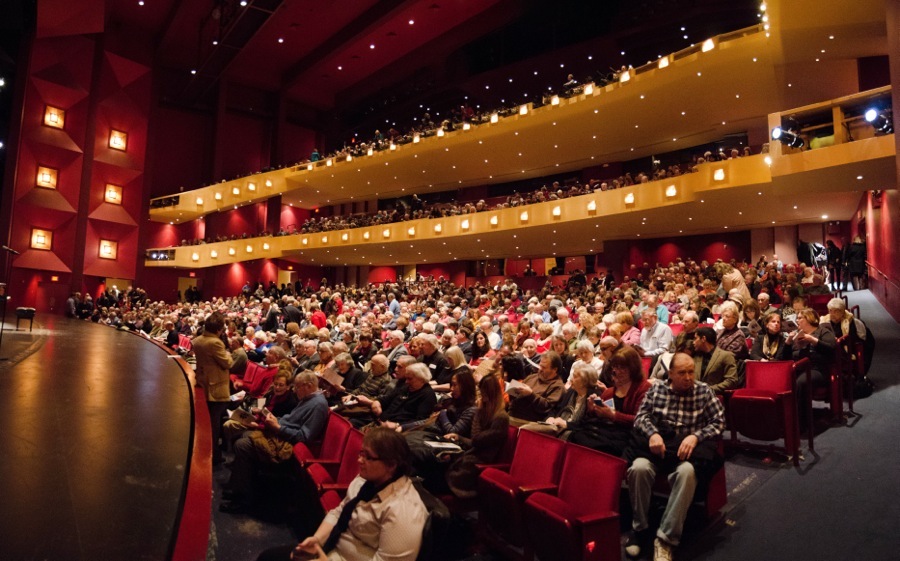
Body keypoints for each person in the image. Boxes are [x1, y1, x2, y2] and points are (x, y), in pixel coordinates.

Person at [258, 427, 428, 561]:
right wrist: (317, 540)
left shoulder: (403, 511)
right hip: (332, 549)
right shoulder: (366, 480)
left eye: (368, 457)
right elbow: (339, 512)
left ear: (391, 465)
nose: (359, 460)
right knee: (268, 557)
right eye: (361, 453)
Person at [624, 352, 725, 561]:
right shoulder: (658, 389)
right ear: (670, 374)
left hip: (686, 454)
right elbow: (641, 417)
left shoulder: (703, 391)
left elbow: (719, 422)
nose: (688, 377)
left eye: (691, 372)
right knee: (638, 469)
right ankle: (640, 528)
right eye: (682, 373)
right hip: (657, 449)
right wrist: (653, 433)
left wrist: (696, 436)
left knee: (688, 473)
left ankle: (665, 539)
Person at [221, 370, 329, 513]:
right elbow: (291, 419)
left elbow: (304, 437)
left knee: (242, 445)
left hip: (288, 444)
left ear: (308, 386)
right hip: (281, 433)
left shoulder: (318, 405)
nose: (295, 391)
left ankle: (242, 499)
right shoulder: (309, 399)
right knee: (246, 435)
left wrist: (278, 427)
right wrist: (274, 420)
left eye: (297, 387)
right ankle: (239, 486)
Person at [568, 346, 651, 456]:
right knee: (575, 437)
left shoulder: (644, 389)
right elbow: (595, 418)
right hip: (606, 434)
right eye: (615, 367)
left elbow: (641, 420)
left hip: (628, 439)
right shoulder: (609, 392)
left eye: (622, 368)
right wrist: (593, 409)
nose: (616, 371)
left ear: (633, 369)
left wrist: (613, 415)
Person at [444, 373, 510, 498]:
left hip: (479, 463)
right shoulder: (484, 412)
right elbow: (475, 440)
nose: (481, 395)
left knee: (439, 473)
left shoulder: (501, 418)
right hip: (471, 455)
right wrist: (460, 438)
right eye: (481, 391)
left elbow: (477, 439)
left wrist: (478, 412)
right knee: (439, 459)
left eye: (484, 392)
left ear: (492, 393)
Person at [192, 311, 233, 466]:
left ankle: (209, 451)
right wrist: (228, 353)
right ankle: (214, 456)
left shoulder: (197, 340)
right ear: (218, 330)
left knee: (209, 422)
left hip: (203, 382)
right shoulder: (215, 343)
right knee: (214, 425)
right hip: (216, 387)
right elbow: (227, 363)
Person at [519, 361, 599, 438]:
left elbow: (588, 425)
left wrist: (566, 424)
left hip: (574, 432)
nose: (571, 379)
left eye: (575, 376)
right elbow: (555, 409)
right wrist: (550, 418)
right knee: (525, 429)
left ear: (584, 381)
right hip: (556, 425)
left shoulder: (594, 397)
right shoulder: (571, 392)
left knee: (526, 430)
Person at [507, 351, 566, 425]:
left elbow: (546, 408)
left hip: (528, 422)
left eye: (544, 367)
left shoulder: (558, 386)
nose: (540, 369)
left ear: (554, 369)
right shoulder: (532, 377)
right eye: (540, 365)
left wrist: (530, 394)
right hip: (512, 414)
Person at [690, 327, 739, 394]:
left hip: (715, 396)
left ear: (703, 339)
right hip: (694, 395)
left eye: (695, 338)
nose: (693, 342)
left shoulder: (726, 356)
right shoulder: (694, 355)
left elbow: (731, 381)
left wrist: (709, 389)